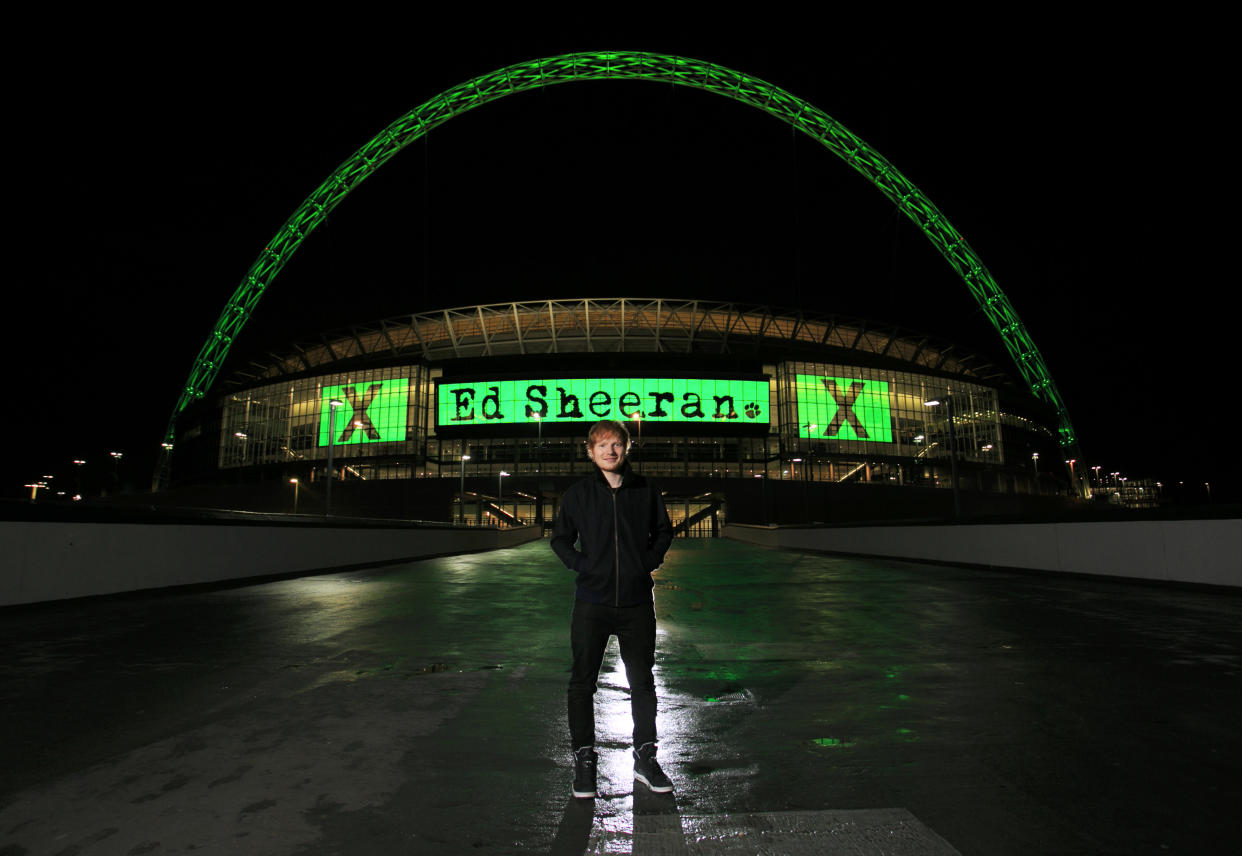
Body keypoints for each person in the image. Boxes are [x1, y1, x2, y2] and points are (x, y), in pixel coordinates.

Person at [551, 419, 675, 799]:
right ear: (590, 451)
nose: (610, 451)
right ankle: (585, 759)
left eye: (616, 444)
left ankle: (645, 757)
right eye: (602, 445)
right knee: (581, 682)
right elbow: (560, 540)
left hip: (637, 603)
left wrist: (646, 562)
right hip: (592, 603)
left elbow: (664, 531)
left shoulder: (645, 490)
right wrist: (585, 566)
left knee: (642, 682)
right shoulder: (578, 495)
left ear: (626, 448)